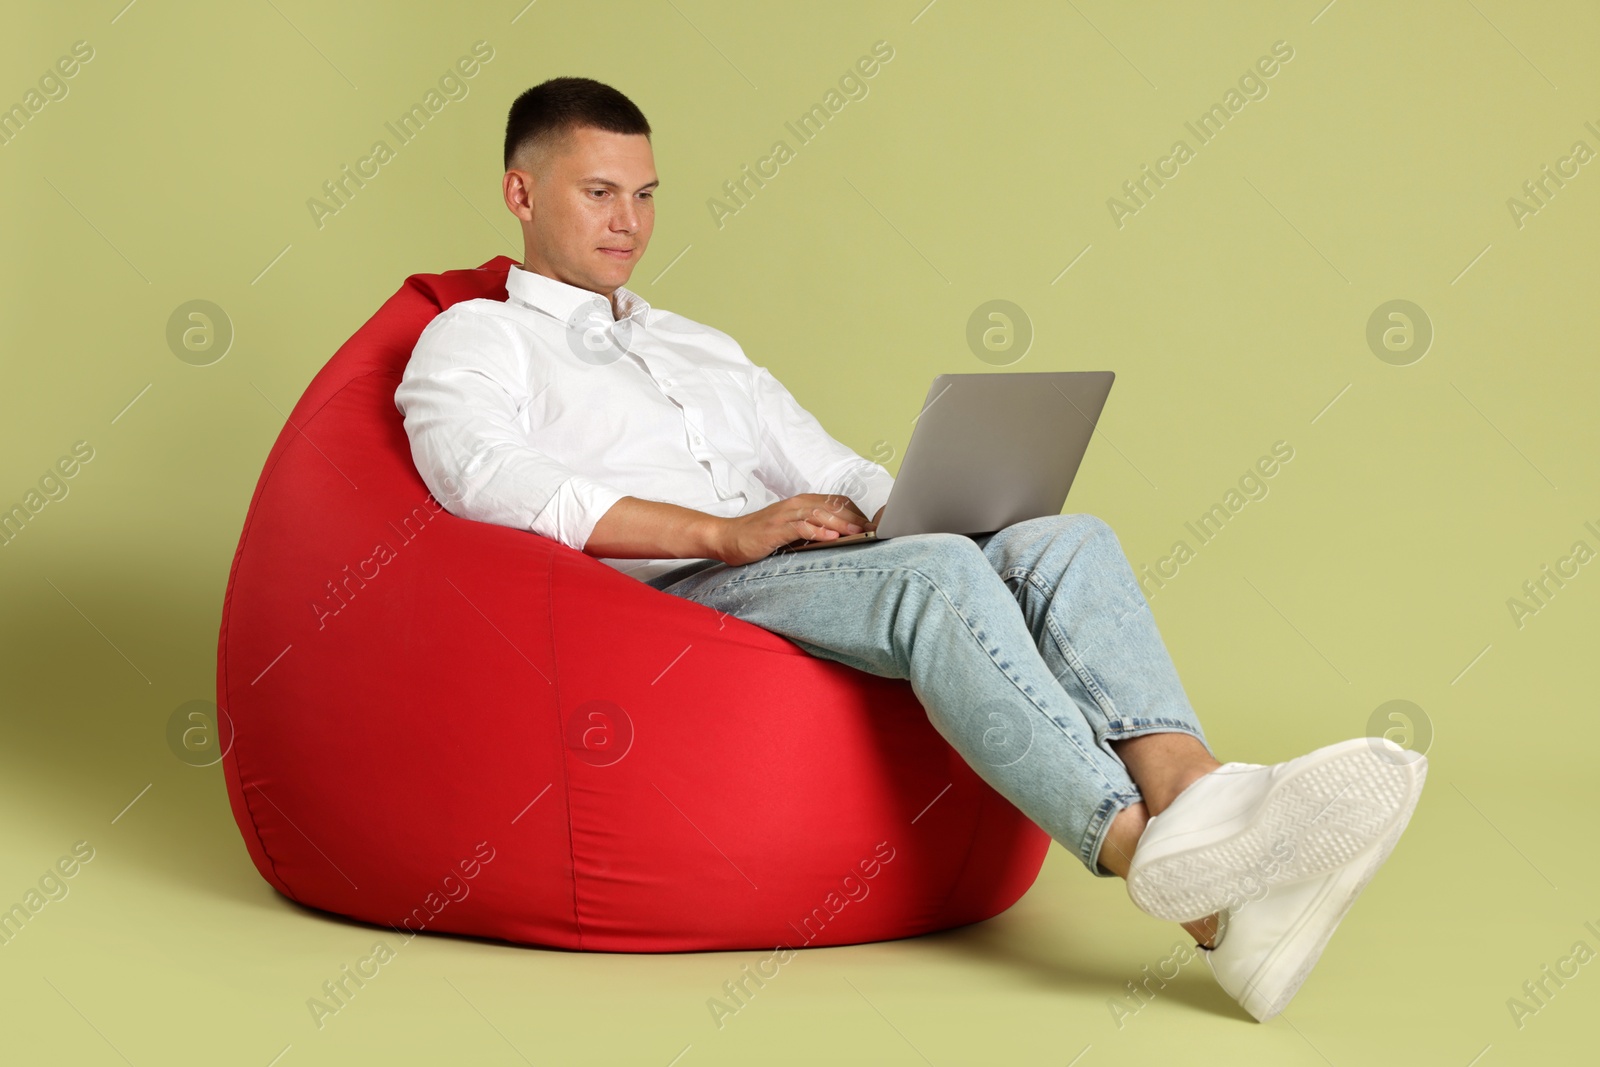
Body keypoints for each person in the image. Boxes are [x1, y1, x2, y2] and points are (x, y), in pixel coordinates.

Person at [393, 76, 1427, 1023]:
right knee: (939, 579)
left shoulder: (695, 345)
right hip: (676, 596)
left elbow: (827, 464)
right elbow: (488, 481)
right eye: (600, 193)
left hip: (787, 564)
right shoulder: (476, 339)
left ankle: (1200, 812)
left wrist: (939, 504)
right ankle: (1139, 846)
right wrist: (724, 530)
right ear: (520, 195)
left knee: (1058, 539)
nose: (629, 223)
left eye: (647, 194)